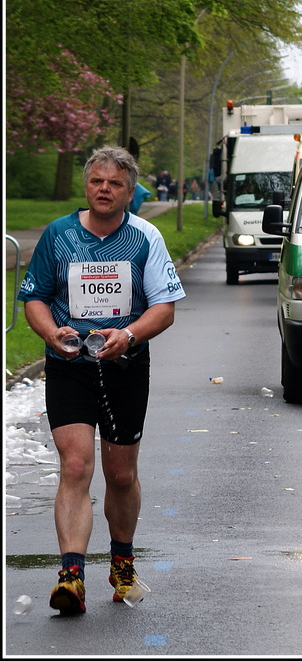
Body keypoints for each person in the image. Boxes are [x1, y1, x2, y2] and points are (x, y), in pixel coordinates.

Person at [17, 146, 186, 615]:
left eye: (114, 183)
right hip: (70, 367)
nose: (104, 190)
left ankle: (122, 561)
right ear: (86, 185)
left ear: (130, 192)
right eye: (97, 181)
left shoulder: (145, 237)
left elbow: (165, 308)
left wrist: (128, 335)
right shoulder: (59, 235)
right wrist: (51, 333)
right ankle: (71, 575)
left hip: (124, 368)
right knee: (75, 466)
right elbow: (34, 296)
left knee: (121, 473)